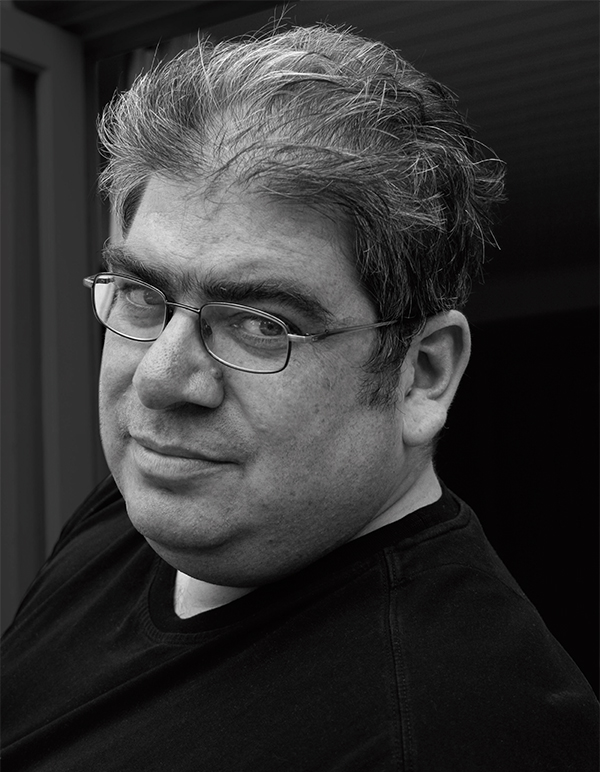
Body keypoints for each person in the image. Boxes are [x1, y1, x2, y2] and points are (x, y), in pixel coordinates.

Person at [2, 24, 597, 772]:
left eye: (261, 323)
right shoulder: (153, 502)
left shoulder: (451, 732)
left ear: (421, 374)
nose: (161, 379)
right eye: (142, 295)